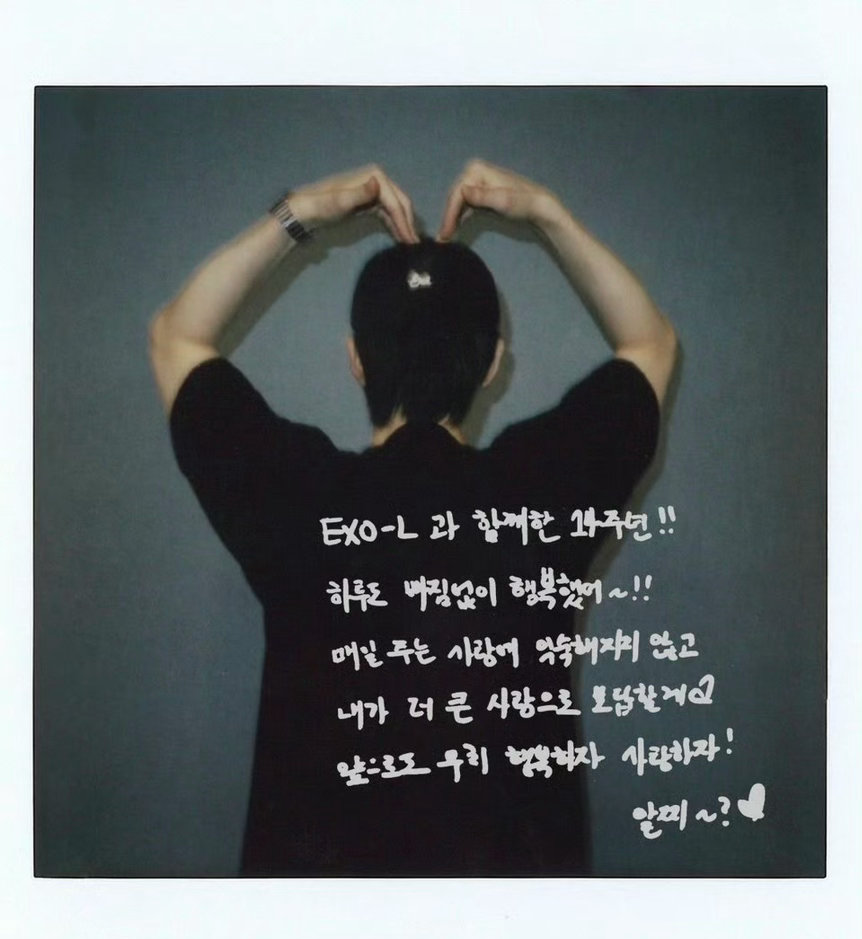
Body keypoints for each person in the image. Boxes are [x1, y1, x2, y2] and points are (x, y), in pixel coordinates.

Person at [150, 160, 677, 876]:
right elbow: (650, 344)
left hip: (317, 932)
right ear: (492, 363)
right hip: (515, 931)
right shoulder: (540, 493)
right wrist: (548, 214)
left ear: (357, 361)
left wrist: (302, 210)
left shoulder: (299, 495)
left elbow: (177, 337)